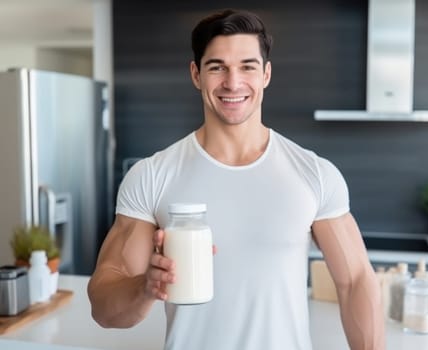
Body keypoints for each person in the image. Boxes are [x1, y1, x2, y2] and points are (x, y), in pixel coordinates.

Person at [87, 8, 385, 350]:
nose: (232, 82)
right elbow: (103, 308)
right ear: (196, 74)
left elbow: (356, 282)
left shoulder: (314, 173)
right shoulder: (151, 176)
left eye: (247, 66)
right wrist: (145, 287)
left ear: (266, 74)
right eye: (217, 67)